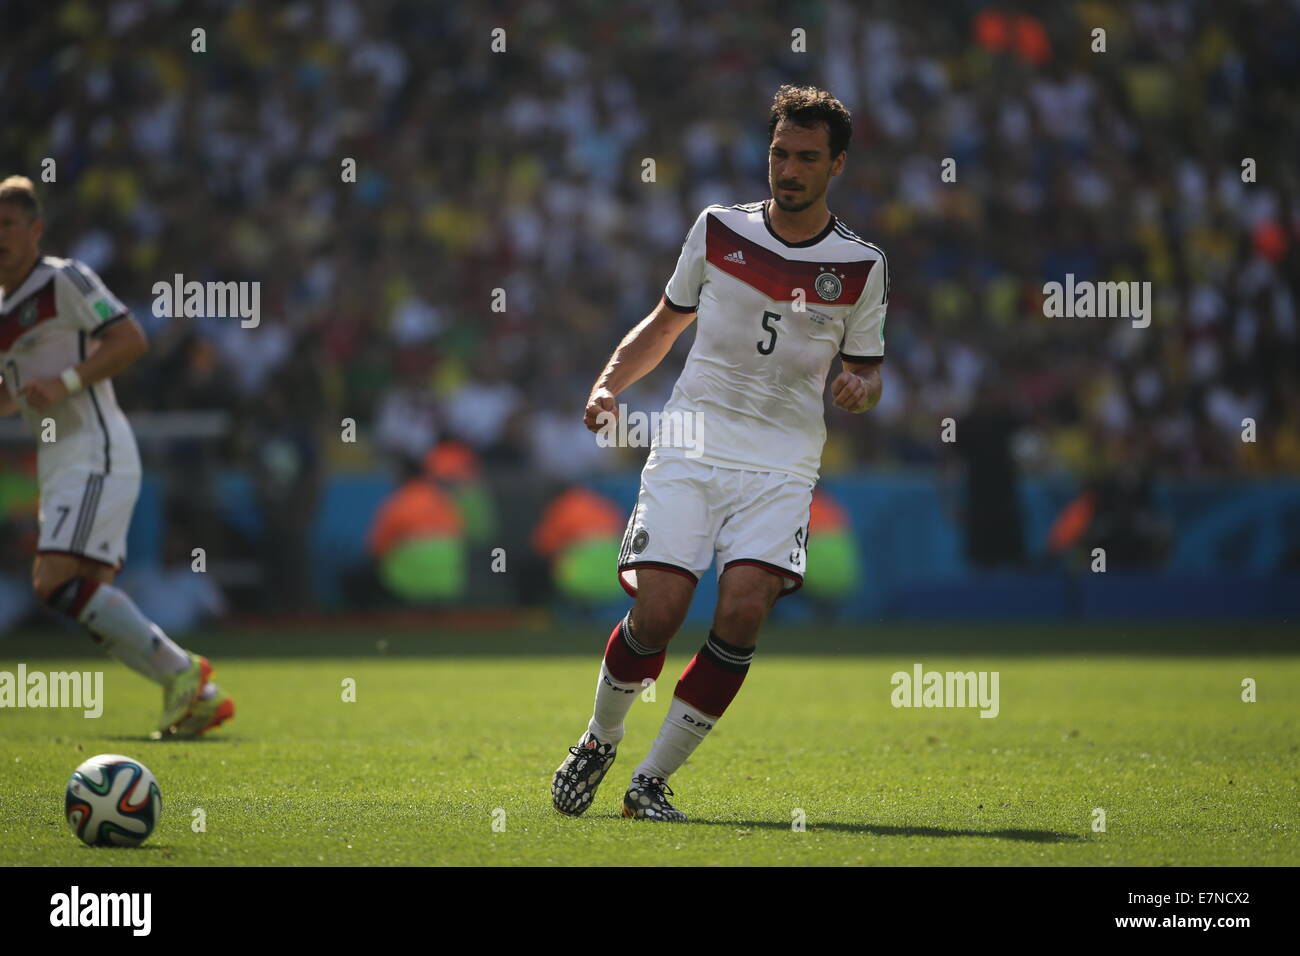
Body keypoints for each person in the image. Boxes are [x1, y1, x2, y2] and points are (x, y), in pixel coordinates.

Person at [552, 86, 888, 821]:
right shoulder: (717, 230)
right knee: (661, 612)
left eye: (806, 158)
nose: (788, 169)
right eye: (779, 154)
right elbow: (666, 322)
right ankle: (600, 738)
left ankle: (650, 782)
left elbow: (867, 368)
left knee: (741, 613)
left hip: (781, 465)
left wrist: (861, 387)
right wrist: (609, 386)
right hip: (692, 445)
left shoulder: (861, 266)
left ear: (835, 165)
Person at [0, 176, 233, 737]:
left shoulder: (64, 280)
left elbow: (130, 340)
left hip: (94, 448)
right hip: (58, 460)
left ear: (34, 230)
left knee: (53, 579)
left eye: (7, 225)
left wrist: (68, 380)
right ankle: (194, 691)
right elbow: (12, 394)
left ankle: (185, 674)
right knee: (84, 592)